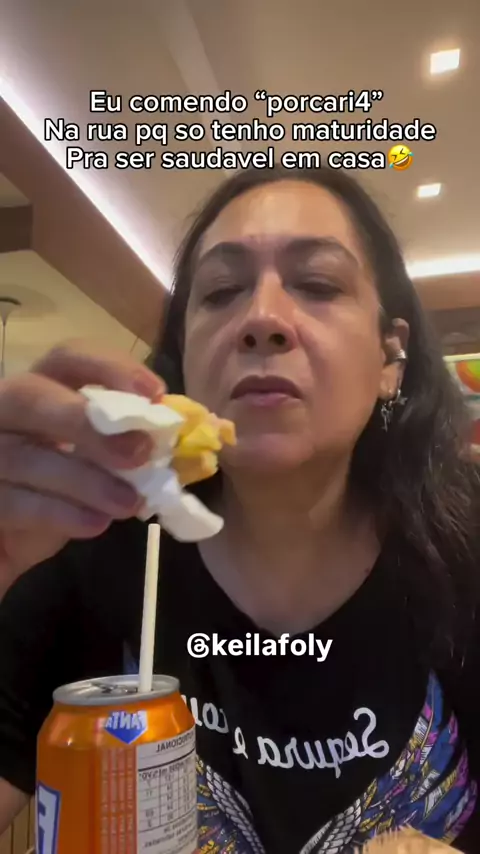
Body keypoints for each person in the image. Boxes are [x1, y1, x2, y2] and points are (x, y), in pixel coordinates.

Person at [0, 165, 479, 854]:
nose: (261, 319)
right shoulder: (91, 545)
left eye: (318, 284)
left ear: (389, 359)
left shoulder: (466, 550)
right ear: (186, 358)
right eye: (222, 292)